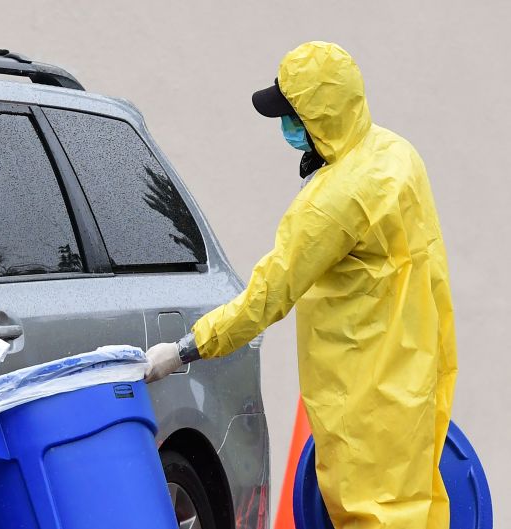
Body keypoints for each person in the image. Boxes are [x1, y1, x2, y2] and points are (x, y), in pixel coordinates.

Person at [146, 41, 457, 529]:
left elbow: (266, 297)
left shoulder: (332, 201)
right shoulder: (397, 155)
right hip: (413, 376)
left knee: (370, 515)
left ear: (320, 118)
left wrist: (184, 350)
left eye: (292, 116)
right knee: (416, 511)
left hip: (362, 395)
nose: (285, 128)